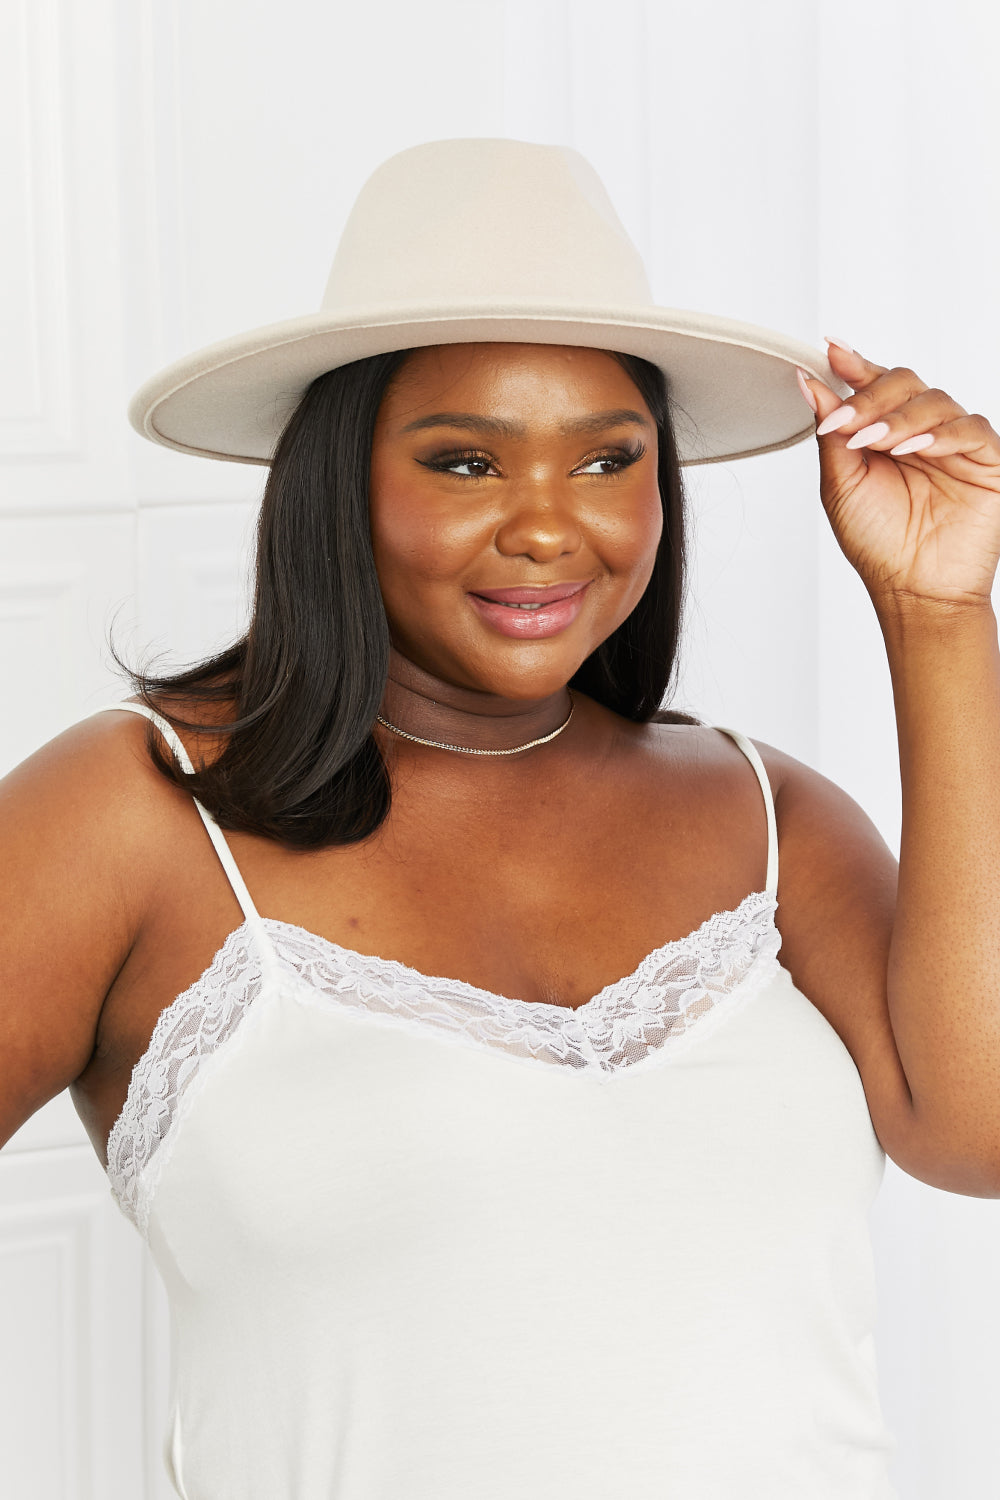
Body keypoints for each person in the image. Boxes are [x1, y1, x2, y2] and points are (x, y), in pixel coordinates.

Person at [3, 137, 1000, 1499]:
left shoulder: (771, 817)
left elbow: (980, 1131)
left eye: (607, 462)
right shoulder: (137, 810)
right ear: (337, 482)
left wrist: (938, 614)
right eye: (467, 463)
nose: (548, 527)